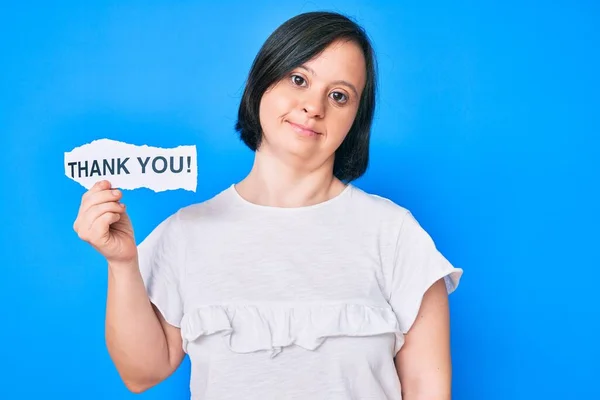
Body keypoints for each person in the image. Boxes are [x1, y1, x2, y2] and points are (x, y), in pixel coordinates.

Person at [73, 11, 463, 400]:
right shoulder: (187, 232)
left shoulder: (394, 234)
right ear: (263, 81)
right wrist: (122, 264)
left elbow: (428, 389)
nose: (314, 106)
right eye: (299, 79)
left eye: (339, 96)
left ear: (354, 121)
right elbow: (142, 373)